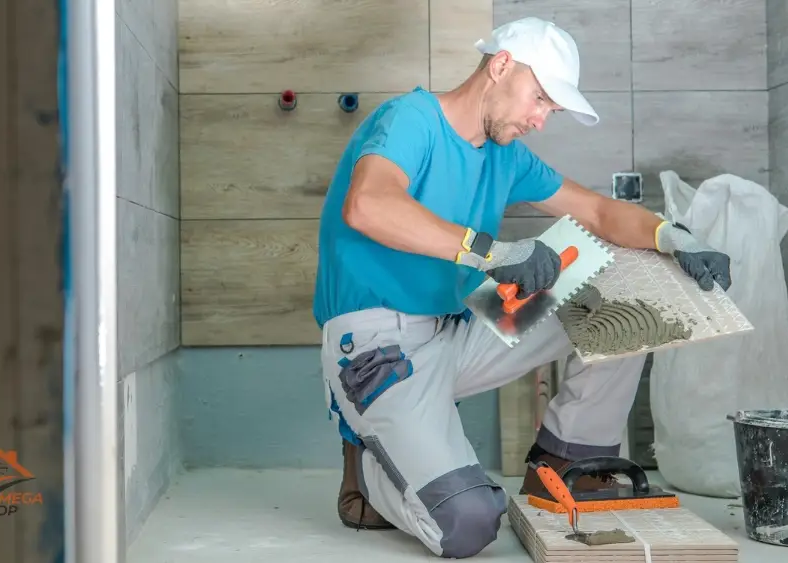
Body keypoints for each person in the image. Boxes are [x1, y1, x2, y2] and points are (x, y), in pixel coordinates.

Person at [312, 16, 732, 559]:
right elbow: (368, 205)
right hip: (377, 349)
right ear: (501, 65)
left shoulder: (504, 154)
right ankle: (368, 477)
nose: (539, 119)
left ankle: (564, 461)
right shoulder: (409, 119)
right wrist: (496, 253)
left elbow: (598, 211)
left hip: (455, 331)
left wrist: (669, 236)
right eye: (539, 100)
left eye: (550, 110)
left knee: (620, 276)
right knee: (468, 524)